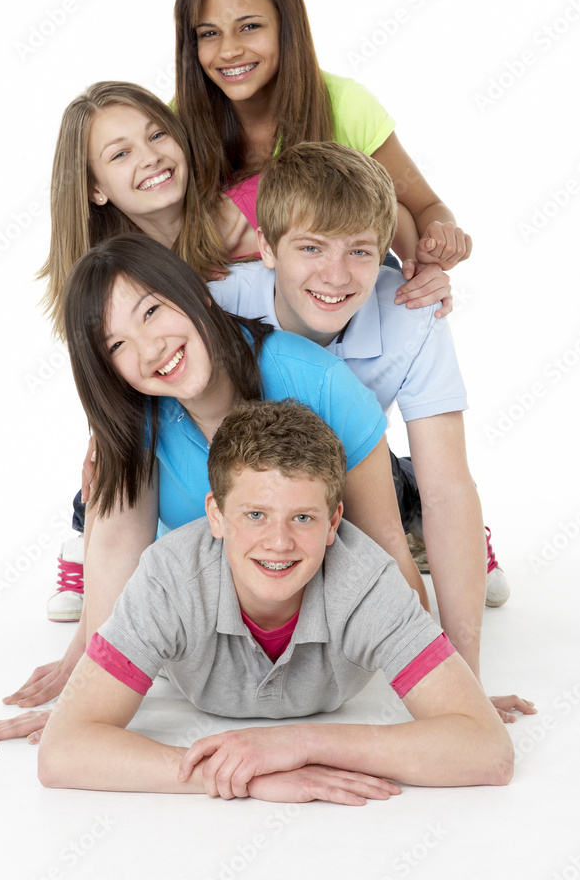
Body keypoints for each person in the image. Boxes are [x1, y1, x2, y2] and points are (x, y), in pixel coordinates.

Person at [0, 233, 432, 742]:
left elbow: (384, 548)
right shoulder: (136, 418)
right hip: (232, 590)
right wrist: (86, 695)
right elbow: (115, 550)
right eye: (116, 344)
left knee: (400, 501)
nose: (150, 348)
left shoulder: (318, 381)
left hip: (318, 560)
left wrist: (444, 680)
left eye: (152, 312)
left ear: (195, 294)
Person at [40, 81, 451, 623]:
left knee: (345, 471)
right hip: (195, 426)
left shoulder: (237, 218)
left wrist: (421, 259)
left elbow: (354, 215)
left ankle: (414, 504)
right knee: (118, 458)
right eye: (121, 153)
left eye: (158, 134)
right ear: (95, 187)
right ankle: (81, 535)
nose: (150, 157)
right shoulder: (100, 276)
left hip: (305, 400)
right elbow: (116, 381)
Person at [36, 399, 515, 800]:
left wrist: (301, 743)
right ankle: (81, 551)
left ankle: (460, 545)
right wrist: (240, 775)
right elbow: (62, 751)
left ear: (333, 524)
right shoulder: (169, 578)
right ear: (216, 517)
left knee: (411, 494)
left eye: (303, 518)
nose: (279, 542)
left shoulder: (367, 582)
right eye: (256, 515)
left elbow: (488, 750)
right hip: (174, 581)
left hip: (378, 551)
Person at [208, 142, 530, 719]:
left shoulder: (411, 311)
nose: (336, 276)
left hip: (359, 471)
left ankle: (429, 539)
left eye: (360, 251)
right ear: (266, 249)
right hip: (268, 482)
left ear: (383, 250)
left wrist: (461, 680)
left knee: (400, 501)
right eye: (310, 248)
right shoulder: (218, 304)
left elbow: (450, 488)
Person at [174, 0, 472, 270]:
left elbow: (425, 207)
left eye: (249, 27)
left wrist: (432, 253)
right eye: (209, 33)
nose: (228, 51)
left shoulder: (345, 105)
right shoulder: (174, 122)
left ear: (286, 27)